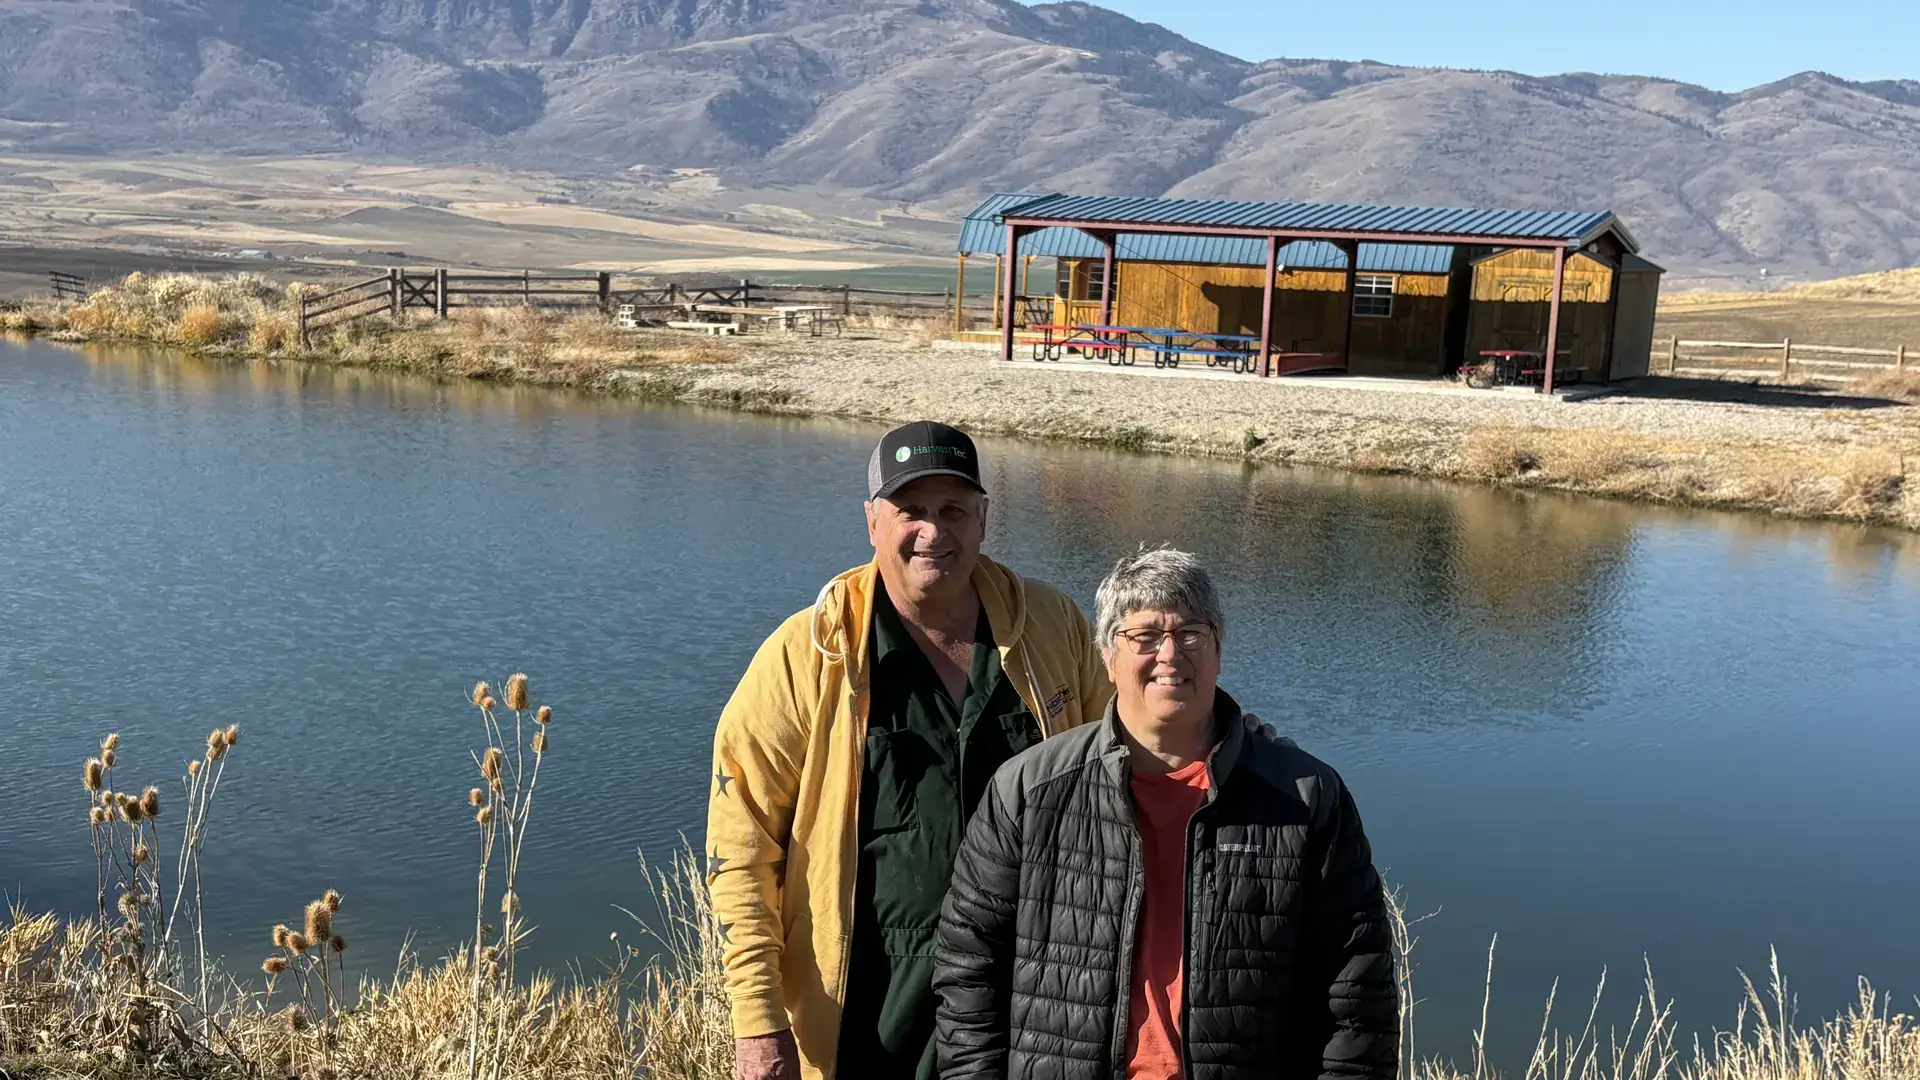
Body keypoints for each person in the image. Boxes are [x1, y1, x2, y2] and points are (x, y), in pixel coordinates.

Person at [706, 420, 1113, 1080]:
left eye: (954, 510)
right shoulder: (804, 656)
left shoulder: (1054, 628)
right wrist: (757, 1020)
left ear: (984, 519)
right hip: (864, 1009)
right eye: (911, 511)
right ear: (872, 522)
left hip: (1025, 1005)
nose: (933, 531)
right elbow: (741, 847)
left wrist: (1232, 737)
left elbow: (1129, 751)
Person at [933, 546, 1398, 1080]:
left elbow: (1357, 991)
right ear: (1108, 657)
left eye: (1191, 633)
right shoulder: (1029, 790)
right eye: (1145, 636)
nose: (1171, 655)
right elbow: (967, 965)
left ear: (1219, 648)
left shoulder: (1303, 797)